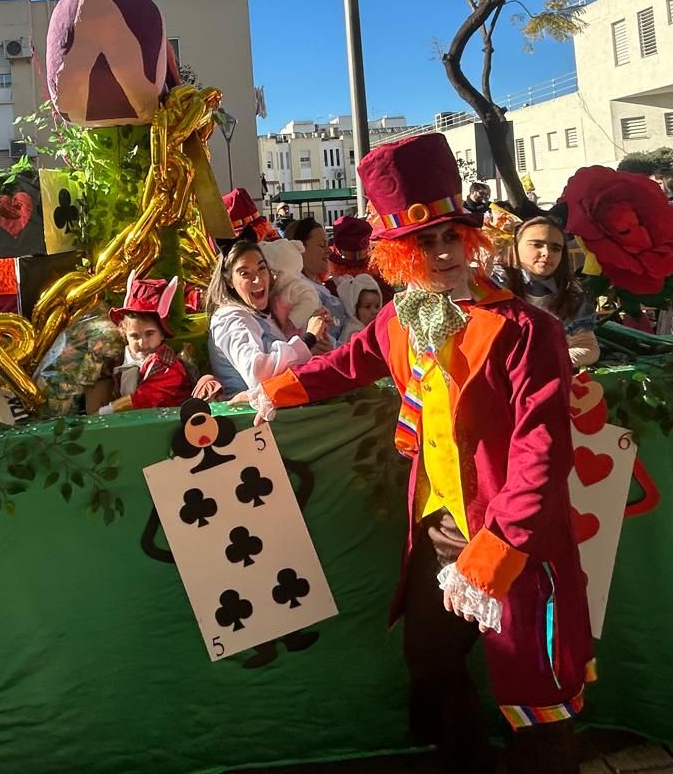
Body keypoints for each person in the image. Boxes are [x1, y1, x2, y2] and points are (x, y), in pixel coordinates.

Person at [251, 135, 589, 772]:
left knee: (533, 690)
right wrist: (276, 389)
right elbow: (349, 363)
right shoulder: (400, 319)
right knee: (430, 662)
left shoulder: (527, 329)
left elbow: (541, 452)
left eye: (450, 237)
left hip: (511, 536)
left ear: (470, 238)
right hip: (437, 529)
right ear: (400, 255)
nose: (441, 252)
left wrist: (498, 549)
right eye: (423, 243)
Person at [206, 230, 327, 398]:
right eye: (245, 273)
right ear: (229, 281)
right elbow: (259, 373)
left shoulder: (261, 313)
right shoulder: (230, 318)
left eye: (261, 268)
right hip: (250, 413)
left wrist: (317, 348)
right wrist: (309, 338)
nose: (257, 279)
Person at [495, 216, 600, 369]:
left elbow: (587, 347)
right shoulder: (494, 283)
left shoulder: (571, 292)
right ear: (515, 246)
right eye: (536, 244)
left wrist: (548, 363)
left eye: (555, 248)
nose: (546, 253)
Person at [101, 274, 214, 412]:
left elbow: (143, 399)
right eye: (134, 336)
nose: (142, 342)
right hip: (138, 419)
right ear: (125, 334)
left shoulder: (166, 367)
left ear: (161, 334)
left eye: (149, 334)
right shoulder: (123, 359)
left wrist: (105, 412)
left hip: (168, 421)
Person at [279, 217, 350, 340]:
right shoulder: (297, 290)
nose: (328, 250)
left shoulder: (322, 285)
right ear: (300, 248)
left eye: (327, 245)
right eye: (322, 245)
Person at [336, 274, 382, 344]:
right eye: (367, 306)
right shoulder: (352, 334)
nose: (374, 311)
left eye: (377, 306)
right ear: (354, 309)